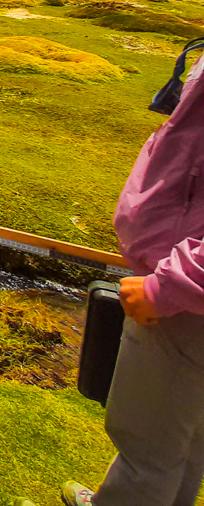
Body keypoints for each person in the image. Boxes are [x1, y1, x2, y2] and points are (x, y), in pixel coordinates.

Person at [60, 47, 204, 506]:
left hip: (182, 298)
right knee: (183, 435)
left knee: (148, 442)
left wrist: (172, 285)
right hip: (179, 277)